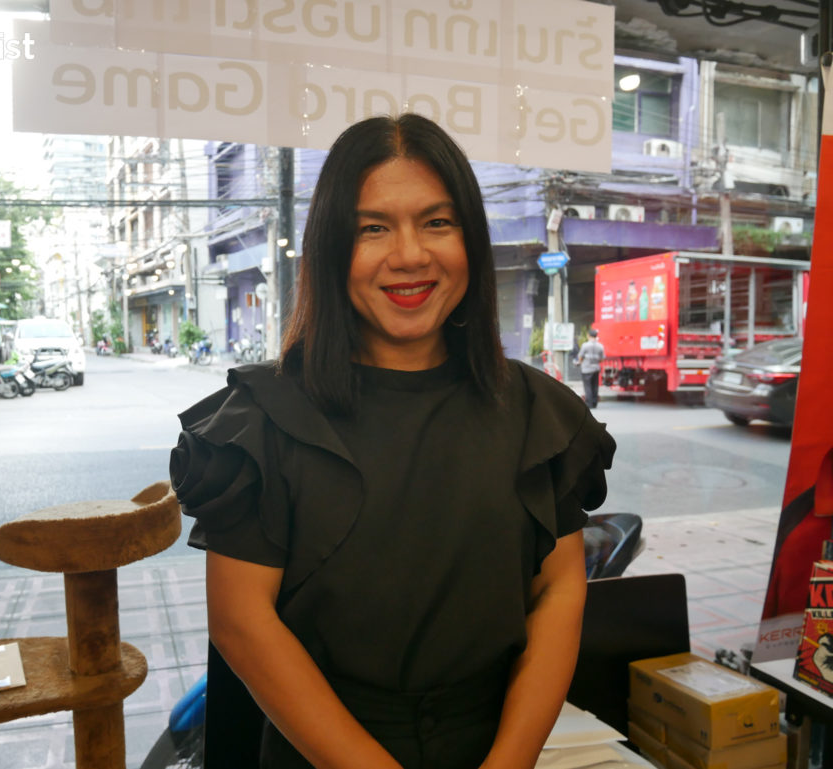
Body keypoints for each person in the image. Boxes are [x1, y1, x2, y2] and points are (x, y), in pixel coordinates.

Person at [169, 114, 615, 769]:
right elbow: (242, 620)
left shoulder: (537, 411)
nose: (410, 255)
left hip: (493, 745)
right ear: (331, 248)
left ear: (470, 239)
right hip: (319, 751)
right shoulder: (263, 418)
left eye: (437, 222)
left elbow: (560, 590)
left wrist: (510, 759)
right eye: (372, 228)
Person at [575, 329, 605, 408]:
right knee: (595, 386)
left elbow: (580, 356)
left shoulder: (585, 345)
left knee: (587, 386)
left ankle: (589, 403)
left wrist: (579, 362)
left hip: (586, 369)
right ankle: (594, 403)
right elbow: (602, 358)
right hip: (596, 368)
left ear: (588, 335)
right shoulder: (600, 346)